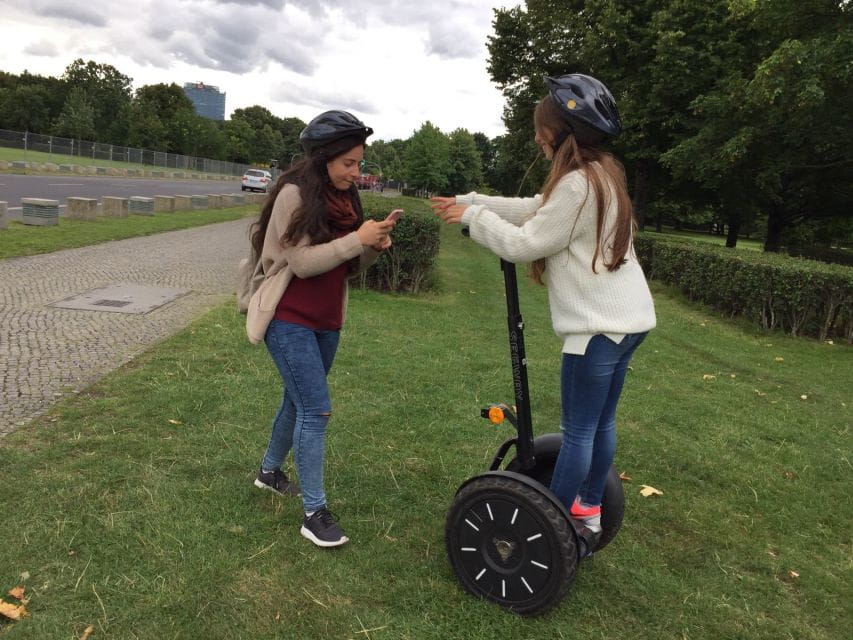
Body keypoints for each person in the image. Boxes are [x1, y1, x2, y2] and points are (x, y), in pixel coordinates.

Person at [431, 74, 656, 541]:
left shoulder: (577, 185)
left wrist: (474, 219)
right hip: (628, 323)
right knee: (601, 424)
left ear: (563, 132)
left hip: (595, 331)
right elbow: (538, 207)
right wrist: (470, 201)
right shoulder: (602, 175)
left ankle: (552, 524)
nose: (537, 137)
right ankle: (588, 509)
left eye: (542, 129)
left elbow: (524, 242)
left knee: (577, 433)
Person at [248, 110, 396, 548]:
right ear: (325, 157)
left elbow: (347, 266)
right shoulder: (293, 195)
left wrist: (374, 245)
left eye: (359, 163)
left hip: (328, 319)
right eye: (349, 162)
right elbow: (303, 262)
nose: (356, 171)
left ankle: (268, 472)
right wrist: (357, 239)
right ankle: (314, 513)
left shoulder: (348, 199)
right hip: (288, 317)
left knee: (297, 402)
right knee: (317, 409)